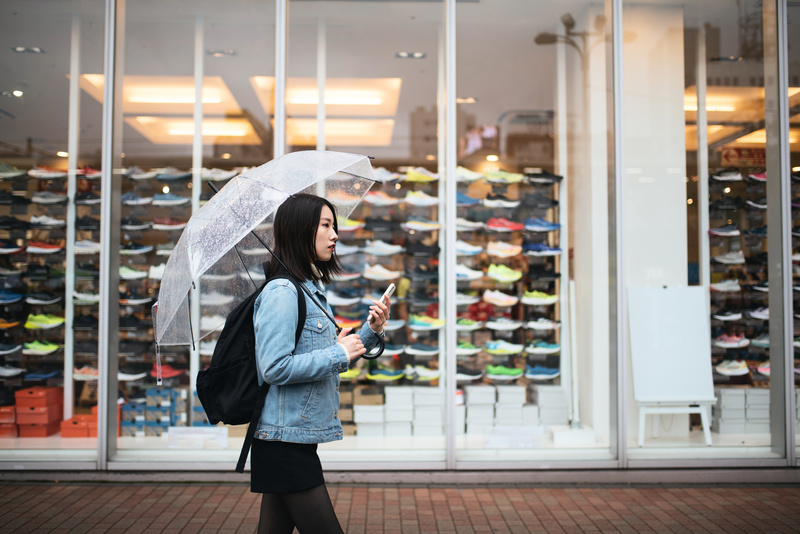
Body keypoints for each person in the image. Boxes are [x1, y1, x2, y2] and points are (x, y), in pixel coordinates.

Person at [252, 193, 390, 533]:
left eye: (334, 225)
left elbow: (328, 357)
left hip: (292, 439)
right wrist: (338, 352)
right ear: (301, 230)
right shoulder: (283, 292)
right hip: (285, 442)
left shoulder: (309, 288)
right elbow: (274, 368)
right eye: (325, 226)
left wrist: (370, 332)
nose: (335, 235)